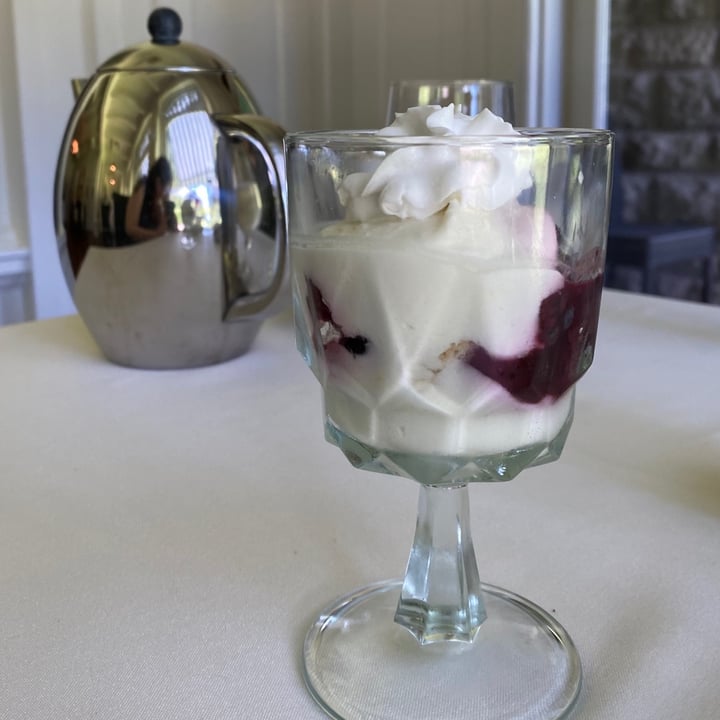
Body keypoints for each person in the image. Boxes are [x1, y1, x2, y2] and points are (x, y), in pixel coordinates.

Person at [125, 156, 178, 242]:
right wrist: (156, 234)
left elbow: (168, 228)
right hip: (138, 248)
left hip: (155, 246)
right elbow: (130, 228)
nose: (166, 192)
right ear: (158, 181)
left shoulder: (160, 200)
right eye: (165, 187)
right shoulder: (143, 187)